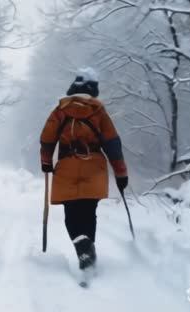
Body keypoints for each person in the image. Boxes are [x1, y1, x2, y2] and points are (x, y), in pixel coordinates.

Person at [39, 68, 128, 270]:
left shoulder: (60, 111)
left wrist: (46, 161)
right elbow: (113, 145)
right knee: (89, 211)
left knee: (71, 213)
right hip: (94, 167)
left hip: (67, 166)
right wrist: (121, 173)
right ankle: (88, 248)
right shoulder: (98, 112)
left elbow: (47, 139)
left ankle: (82, 244)